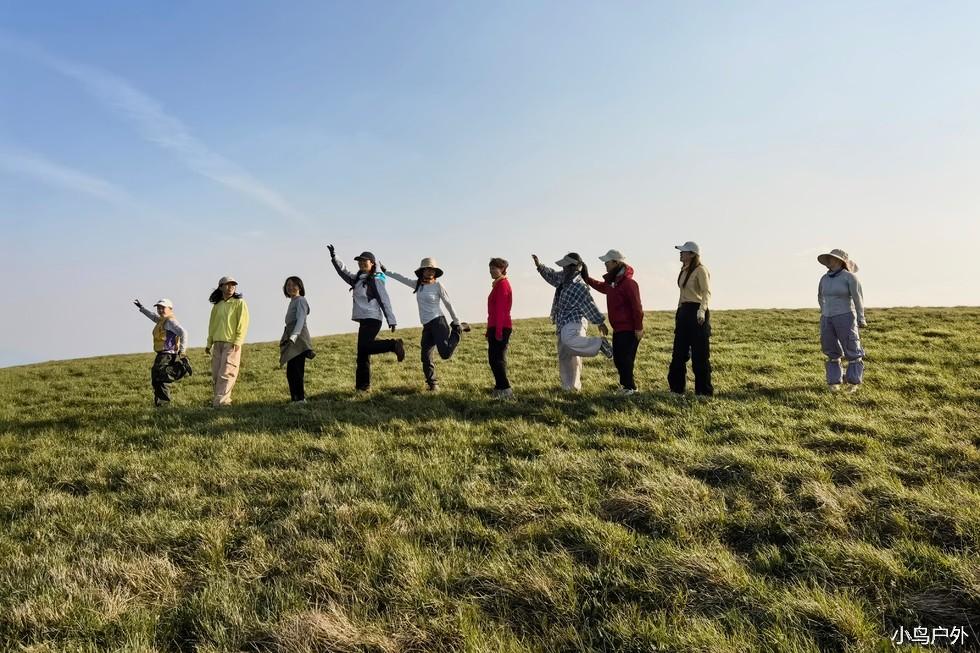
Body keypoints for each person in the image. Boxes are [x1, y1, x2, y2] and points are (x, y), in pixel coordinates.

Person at [383, 257, 469, 392]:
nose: (430, 272)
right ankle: (432, 384)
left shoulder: (438, 286)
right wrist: (386, 272)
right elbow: (401, 278)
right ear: (422, 271)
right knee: (425, 356)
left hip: (438, 322)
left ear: (435, 272)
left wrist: (456, 321)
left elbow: (448, 304)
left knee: (445, 354)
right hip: (427, 326)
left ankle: (458, 330)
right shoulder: (418, 285)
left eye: (432, 270)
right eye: (427, 269)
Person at [328, 244, 404, 391]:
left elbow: (384, 299)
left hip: (373, 318)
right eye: (360, 261)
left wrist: (391, 319)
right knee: (362, 353)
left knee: (364, 347)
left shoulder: (376, 279)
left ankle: (393, 344)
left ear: (372, 263)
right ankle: (363, 387)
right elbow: (343, 271)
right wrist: (334, 257)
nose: (362, 263)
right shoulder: (357, 279)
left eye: (365, 261)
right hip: (364, 319)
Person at [533, 252, 612, 392]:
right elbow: (551, 276)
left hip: (575, 321)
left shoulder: (579, 285)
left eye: (566, 266)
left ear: (575, 267)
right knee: (565, 354)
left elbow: (589, 305)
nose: (563, 269)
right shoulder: (563, 278)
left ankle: (599, 344)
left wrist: (600, 322)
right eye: (563, 267)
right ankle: (568, 387)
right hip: (562, 322)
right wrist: (539, 266)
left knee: (569, 342)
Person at [583, 250, 644, 395]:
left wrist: (638, 328)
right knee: (619, 359)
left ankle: (630, 388)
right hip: (618, 329)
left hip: (630, 329)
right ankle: (626, 387)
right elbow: (601, 286)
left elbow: (637, 307)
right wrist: (586, 278)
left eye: (607, 262)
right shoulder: (612, 284)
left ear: (616, 262)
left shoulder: (629, 284)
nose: (605, 264)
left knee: (625, 359)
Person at [817, 248, 867, 393]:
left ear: (840, 261)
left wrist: (861, 317)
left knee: (852, 347)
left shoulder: (850, 277)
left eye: (832, 258)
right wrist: (824, 310)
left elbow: (858, 298)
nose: (829, 260)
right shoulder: (824, 278)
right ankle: (834, 382)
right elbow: (820, 296)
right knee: (830, 348)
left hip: (845, 316)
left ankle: (853, 382)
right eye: (828, 258)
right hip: (827, 318)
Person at [668, 242, 713, 397]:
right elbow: (683, 294)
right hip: (684, 312)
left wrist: (702, 311)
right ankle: (677, 389)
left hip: (697, 312)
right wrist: (679, 311)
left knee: (700, 354)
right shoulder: (684, 270)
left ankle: (703, 392)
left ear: (693, 254)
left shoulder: (701, 270)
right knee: (678, 353)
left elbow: (706, 292)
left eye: (684, 251)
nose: (681, 253)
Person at [133, 297, 191, 406]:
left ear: (170, 309)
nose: (160, 310)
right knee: (156, 379)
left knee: (161, 379)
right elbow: (153, 316)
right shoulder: (162, 320)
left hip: (167, 355)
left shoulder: (170, 321)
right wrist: (142, 308)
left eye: (162, 308)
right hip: (162, 355)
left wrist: (182, 351)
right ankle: (160, 404)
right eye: (158, 308)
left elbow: (184, 333)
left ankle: (163, 405)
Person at [206, 276, 250, 407]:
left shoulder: (239, 303)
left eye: (233, 285)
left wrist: (238, 341)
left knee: (227, 372)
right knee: (216, 373)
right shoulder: (217, 305)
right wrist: (209, 343)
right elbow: (212, 325)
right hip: (217, 343)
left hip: (231, 343)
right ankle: (218, 400)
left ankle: (222, 402)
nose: (231, 287)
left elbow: (243, 323)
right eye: (227, 284)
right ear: (221, 287)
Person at [279, 276, 316, 403]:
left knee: (296, 370)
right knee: (291, 371)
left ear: (300, 287)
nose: (291, 287)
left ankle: (300, 399)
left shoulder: (300, 300)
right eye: (288, 285)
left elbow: (300, 320)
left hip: (298, 339)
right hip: (292, 338)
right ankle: (295, 399)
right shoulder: (293, 301)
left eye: (294, 285)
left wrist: (294, 336)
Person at [487, 257, 513, 399]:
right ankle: (499, 387)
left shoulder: (503, 284)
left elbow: (501, 310)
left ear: (502, 269)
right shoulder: (497, 284)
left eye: (494, 268)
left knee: (497, 359)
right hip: (495, 326)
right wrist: (489, 330)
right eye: (490, 268)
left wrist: (497, 331)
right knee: (493, 359)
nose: (491, 271)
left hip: (501, 327)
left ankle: (505, 389)